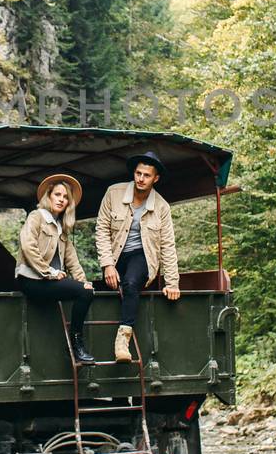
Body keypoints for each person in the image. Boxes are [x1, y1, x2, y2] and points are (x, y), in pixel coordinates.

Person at [94, 150, 181, 362]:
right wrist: (107, 265)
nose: (141, 179)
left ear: (156, 178)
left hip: (142, 256)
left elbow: (168, 245)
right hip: (115, 256)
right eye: (138, 173)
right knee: (100, 289)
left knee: (131, 283)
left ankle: (122, 341)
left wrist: (172, 282)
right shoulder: (113, 193)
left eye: (147, 175)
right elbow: (102, 229)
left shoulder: (161, 207)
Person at [16, 173, 95, 365]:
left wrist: (83, 281)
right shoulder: (36, 217)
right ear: (49, 196)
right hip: (31, 280)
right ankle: (77, 345)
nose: (61, 199)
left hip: (49, 281)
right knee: (82, 293)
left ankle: (75, 343)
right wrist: (49, 272)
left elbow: (72, 259)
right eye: (57, 195)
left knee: (86, 290)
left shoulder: (62, 227)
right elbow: (28, 246)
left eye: (66, 197)